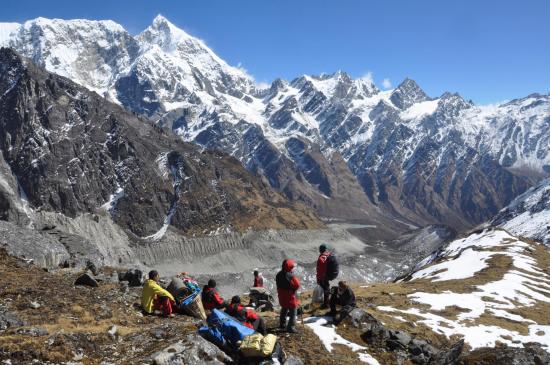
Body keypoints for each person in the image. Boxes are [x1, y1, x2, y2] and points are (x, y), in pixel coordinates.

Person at [276, 259, 300, 333]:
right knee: (293, 311)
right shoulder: (290, 275)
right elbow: (297, 285)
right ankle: (290, 327)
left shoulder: (278, 274)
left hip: (282, 297)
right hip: (290, 297)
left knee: (284, 308)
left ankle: (282, 324)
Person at [316, 244, 339, 309]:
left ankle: (326, 304)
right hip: (332, 274)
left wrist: (319, 279)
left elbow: (320, 271)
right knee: (326, 288)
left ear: (320, 250)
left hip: (326, 276)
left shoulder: (321, 258)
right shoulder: (329, 254)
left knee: (325, 288)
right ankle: (329, 301)